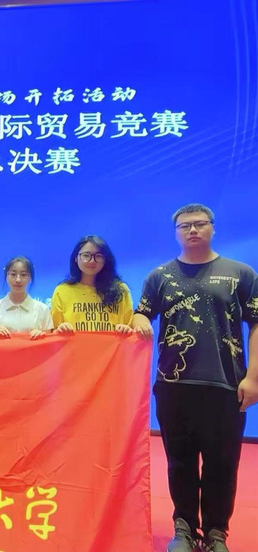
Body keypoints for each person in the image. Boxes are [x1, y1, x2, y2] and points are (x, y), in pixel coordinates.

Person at [132, 204, 258, 552]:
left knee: (223, 463)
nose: (192, 230)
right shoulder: (160, 276)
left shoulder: (240, 274)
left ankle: (217, 533)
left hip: (226, 385)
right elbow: (142, 313)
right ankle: (184, 529)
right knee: (179, 462)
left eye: (199, 224)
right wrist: (139, 319)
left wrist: (254, 377)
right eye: (184, 226)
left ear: (212, 228)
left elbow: (256, 324)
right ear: (176, 232)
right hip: (173, 387)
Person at [51, 235, 133, 334]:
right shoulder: (62, 291)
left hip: (114, 345)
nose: (92, 261)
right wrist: (61, 329)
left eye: (98, 256)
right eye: (86, 255)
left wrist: (126, 330)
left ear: (105, 259)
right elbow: (54, 333)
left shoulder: (121, 290)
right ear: (76, 258)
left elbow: (130, 330)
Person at [0, 256, 52, 338]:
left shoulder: (43, 310)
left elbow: (49, 341)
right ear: (7, 276)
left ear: (30, 277)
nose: (18, 280)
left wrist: (42, 336)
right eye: (13, 274)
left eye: (23, 275)